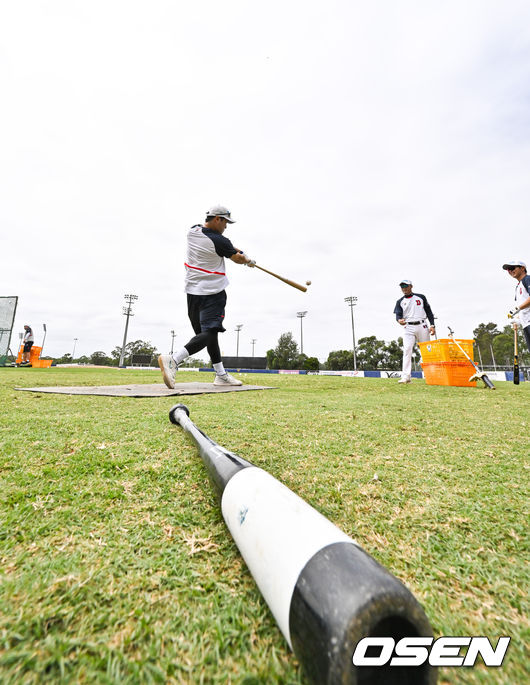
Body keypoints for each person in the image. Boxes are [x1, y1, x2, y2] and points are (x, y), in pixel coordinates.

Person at [158, 205, 254, 389]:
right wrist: (248, 261)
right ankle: (174, 361)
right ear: (217, 219)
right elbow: (236, 257)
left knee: (209, 335)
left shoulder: (193, 230)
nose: (226, 226)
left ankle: (221, 375)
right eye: (225, 222)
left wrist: (239, 252)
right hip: (213, 293)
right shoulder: (220, 241)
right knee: (209, 333)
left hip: (192, 293)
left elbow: (229, 248)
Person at [393, 280, 436, 384]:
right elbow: (398, 315)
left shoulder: (421, 297)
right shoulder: (400, 301)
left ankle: (429, 375)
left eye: (406, 286)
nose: (404, 288)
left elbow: (429, 311)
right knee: (407, 350)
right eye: (402, 286)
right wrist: (399, 321)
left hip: (422, 325)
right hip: (409, 327)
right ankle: (406, 377)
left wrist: (432, 325)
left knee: (426, 351)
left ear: (411, 286)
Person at [503, 260, 530, 352]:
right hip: (526, 324)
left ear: (522, 268)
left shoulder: (527, 279)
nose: (510, 271)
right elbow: (524, 308)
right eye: (508, 270)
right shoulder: (518, 287)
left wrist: (517, 308)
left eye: (512, 268)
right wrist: (518, 320)